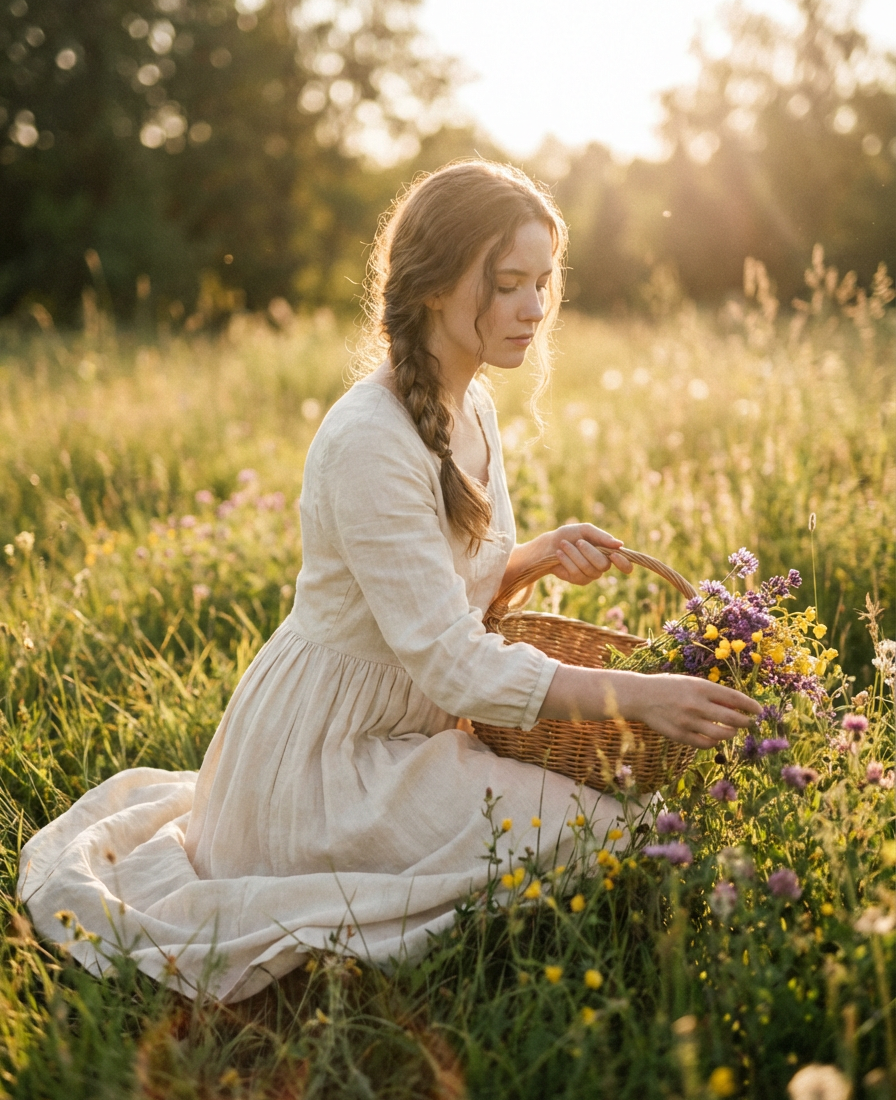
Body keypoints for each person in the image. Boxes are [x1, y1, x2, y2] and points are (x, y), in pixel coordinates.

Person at [19, 161, 760, 1003]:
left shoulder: (472, 404)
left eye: (543, 284)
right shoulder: (370, 438)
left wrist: (536, 554)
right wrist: (638, 697)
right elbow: (449, 660)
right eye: (508, 283)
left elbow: (442, 597)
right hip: (328, 761)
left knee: (614, 830)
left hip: (412, 730)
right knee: (607, 833)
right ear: (435, 286)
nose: (532, 308)